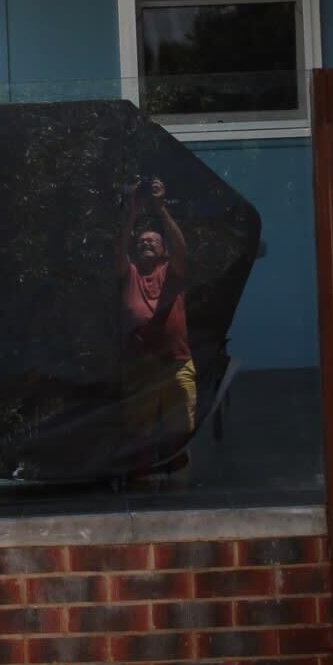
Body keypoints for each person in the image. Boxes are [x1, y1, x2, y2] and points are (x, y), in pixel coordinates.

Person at [119, 176, 196, 460]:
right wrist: (134, 212)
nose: (147, 244)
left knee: (181, 431)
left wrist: (161, 208)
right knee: (140, 433)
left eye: (153, 241)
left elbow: (181, 247)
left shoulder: (172, 272)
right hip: (141, 367)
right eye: (141, 242)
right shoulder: (131, 273)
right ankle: (142, 486)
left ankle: (180, 487)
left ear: (164, 251)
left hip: (176, 364)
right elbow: (119, 247)